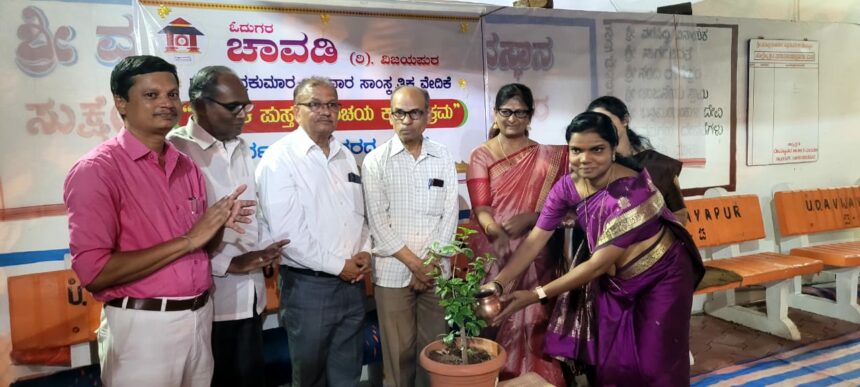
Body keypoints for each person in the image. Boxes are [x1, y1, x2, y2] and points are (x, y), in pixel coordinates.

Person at [64, 55, 254, 386]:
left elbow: (198, 251)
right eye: (151, 95)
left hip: (200, 317)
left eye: (171, 94)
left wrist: (217, 224)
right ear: (121, 103)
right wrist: (189, 239)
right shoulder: (97, 170)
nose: (166, 103)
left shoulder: (186, 165)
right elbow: (94, 272)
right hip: (143, 326)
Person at [490, 111, 705, 386]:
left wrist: (536, 294)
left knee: (655, 366)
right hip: (617, 281)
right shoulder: (568, 186)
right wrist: (498, 284)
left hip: (663, 277)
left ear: (614, 150)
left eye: (597, 150)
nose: (584, 159)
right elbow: (536, 239)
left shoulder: (631, 193)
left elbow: (598, 264)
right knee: (612, 366)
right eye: (576, 150)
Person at [167, 65, 289, 387]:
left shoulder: (241, 146)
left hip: (251, 298)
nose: (243, 114)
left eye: (245, 105)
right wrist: (228, 263)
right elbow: (174, 235)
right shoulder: (175, 151)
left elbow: (251, 211)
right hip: (209, 304)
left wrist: (265, 247)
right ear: (197, 104)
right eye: (232, 106)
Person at [255, 76, 371, 387]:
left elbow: (359, 216)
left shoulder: (344, 154)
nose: (325, 111)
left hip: (353, 285)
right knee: (310, 378)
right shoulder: (279, 158)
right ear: (295, 111)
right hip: (308, 288)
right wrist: (340, 267)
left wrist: (365, 252)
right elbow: (287, 235)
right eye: (315, 104)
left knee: (347, 374)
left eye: (332, 105)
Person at [465, 83, 566, 385]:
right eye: (506, 112)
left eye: (520, 112)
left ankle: (535, 379)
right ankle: (497, 378)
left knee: (534, 313)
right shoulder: (481, 155)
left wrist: (532, 218)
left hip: (536, 249)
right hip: (494, 249)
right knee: (493, 313)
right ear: (495, 114)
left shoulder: (548, 157)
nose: (513, 118)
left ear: (530, 115)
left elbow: (559, 207)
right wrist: (495, 230)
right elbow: (481, 206)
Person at [362, 86, 459, 387]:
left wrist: (430, 264)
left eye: (414, 113)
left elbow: (450, 214)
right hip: (393, 273)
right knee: (398, 357)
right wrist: (417, 265)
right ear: (390, 117)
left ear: (428, 116)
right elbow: (378, 224)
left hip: (436, 273)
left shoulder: (442, 156)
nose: (407, 120)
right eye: (399, 113)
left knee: (435, 354)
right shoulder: (376, 161)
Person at [587, 96, 687, 223]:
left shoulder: (659, 166)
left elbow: (680, 215)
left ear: (625, 120)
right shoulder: (591, 168)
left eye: (606, 121)